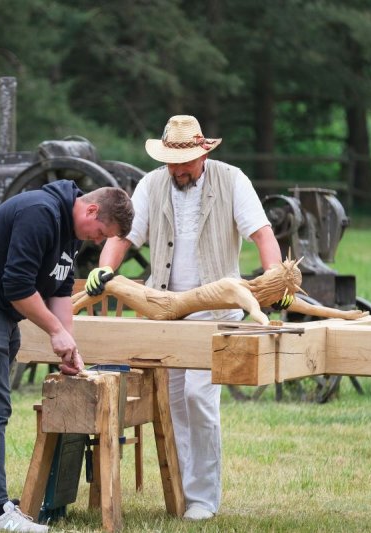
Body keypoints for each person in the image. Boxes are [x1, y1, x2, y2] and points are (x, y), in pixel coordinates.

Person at [86, 115, 285, 521]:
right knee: (172, 403)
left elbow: (262, 234)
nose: (178, 171)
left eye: (186, 164)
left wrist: (275, 279)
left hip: (216, 313)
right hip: (165, 312)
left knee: (199, 400)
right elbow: (122, 237)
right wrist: (105, 270)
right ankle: (179, 493)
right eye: (172, 163)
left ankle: (203, 499)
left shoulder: (232, 180)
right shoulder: (152, 184)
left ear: (204, 153)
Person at [0, 181, 133, 531]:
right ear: (92, 210)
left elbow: (61, 287)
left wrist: (68, 344)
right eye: (100, 233)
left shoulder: (69, 229)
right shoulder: (40, 214)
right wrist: (54, 332)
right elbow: (17, 287)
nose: (97, 240)